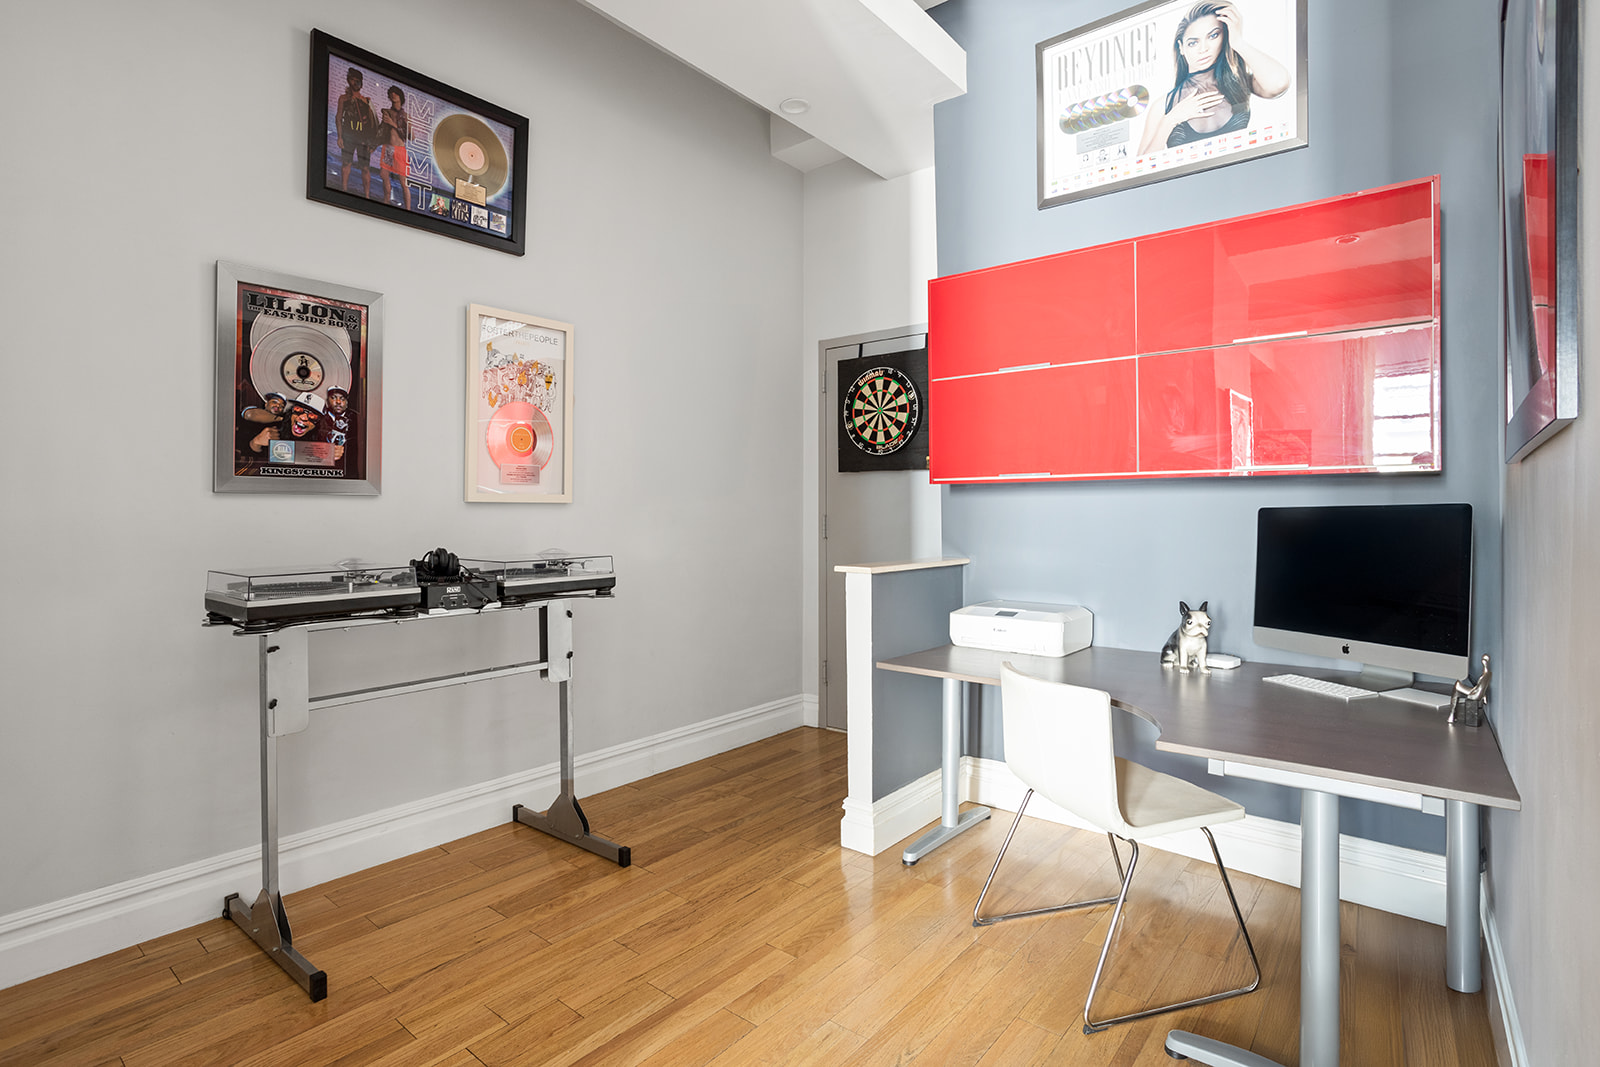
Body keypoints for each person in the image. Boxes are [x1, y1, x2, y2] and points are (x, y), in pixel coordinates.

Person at [1137, 2, 1290, 156]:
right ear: (1181, 47)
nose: (1203, 49)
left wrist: (1238, 43)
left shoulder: (1240, 83)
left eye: (1213, 36)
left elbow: (1279, 83)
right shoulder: (1164, 105)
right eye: (1193, 42)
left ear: (1225, 36)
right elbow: (1141, 168)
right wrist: (1170, 121)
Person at [336, 67, 378, 196]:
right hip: (348, 135)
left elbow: (374, 123)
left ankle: (366, 196)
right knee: (346, 163)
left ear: (361, 82)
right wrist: (339, 137)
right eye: (352, 80)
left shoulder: (367, 101)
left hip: (364, 138)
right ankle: (344, 190)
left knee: (365, 168)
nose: (355, 83)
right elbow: (338, 117)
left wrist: (373, 142)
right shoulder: (343, 98)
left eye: (357, 80)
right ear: (349, 81)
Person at [378, 86, 411, 210]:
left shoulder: (405, 115)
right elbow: (382, 130)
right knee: (383, 174)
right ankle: (386, 201)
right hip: (388, 148)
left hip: (400, 149)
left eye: (396, 93)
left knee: (403, 182)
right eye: (391, 93)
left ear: (400, 96)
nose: (393, 95)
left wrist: (393, 123)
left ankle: (408, 209)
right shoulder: (387, 112)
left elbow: (408, 136)